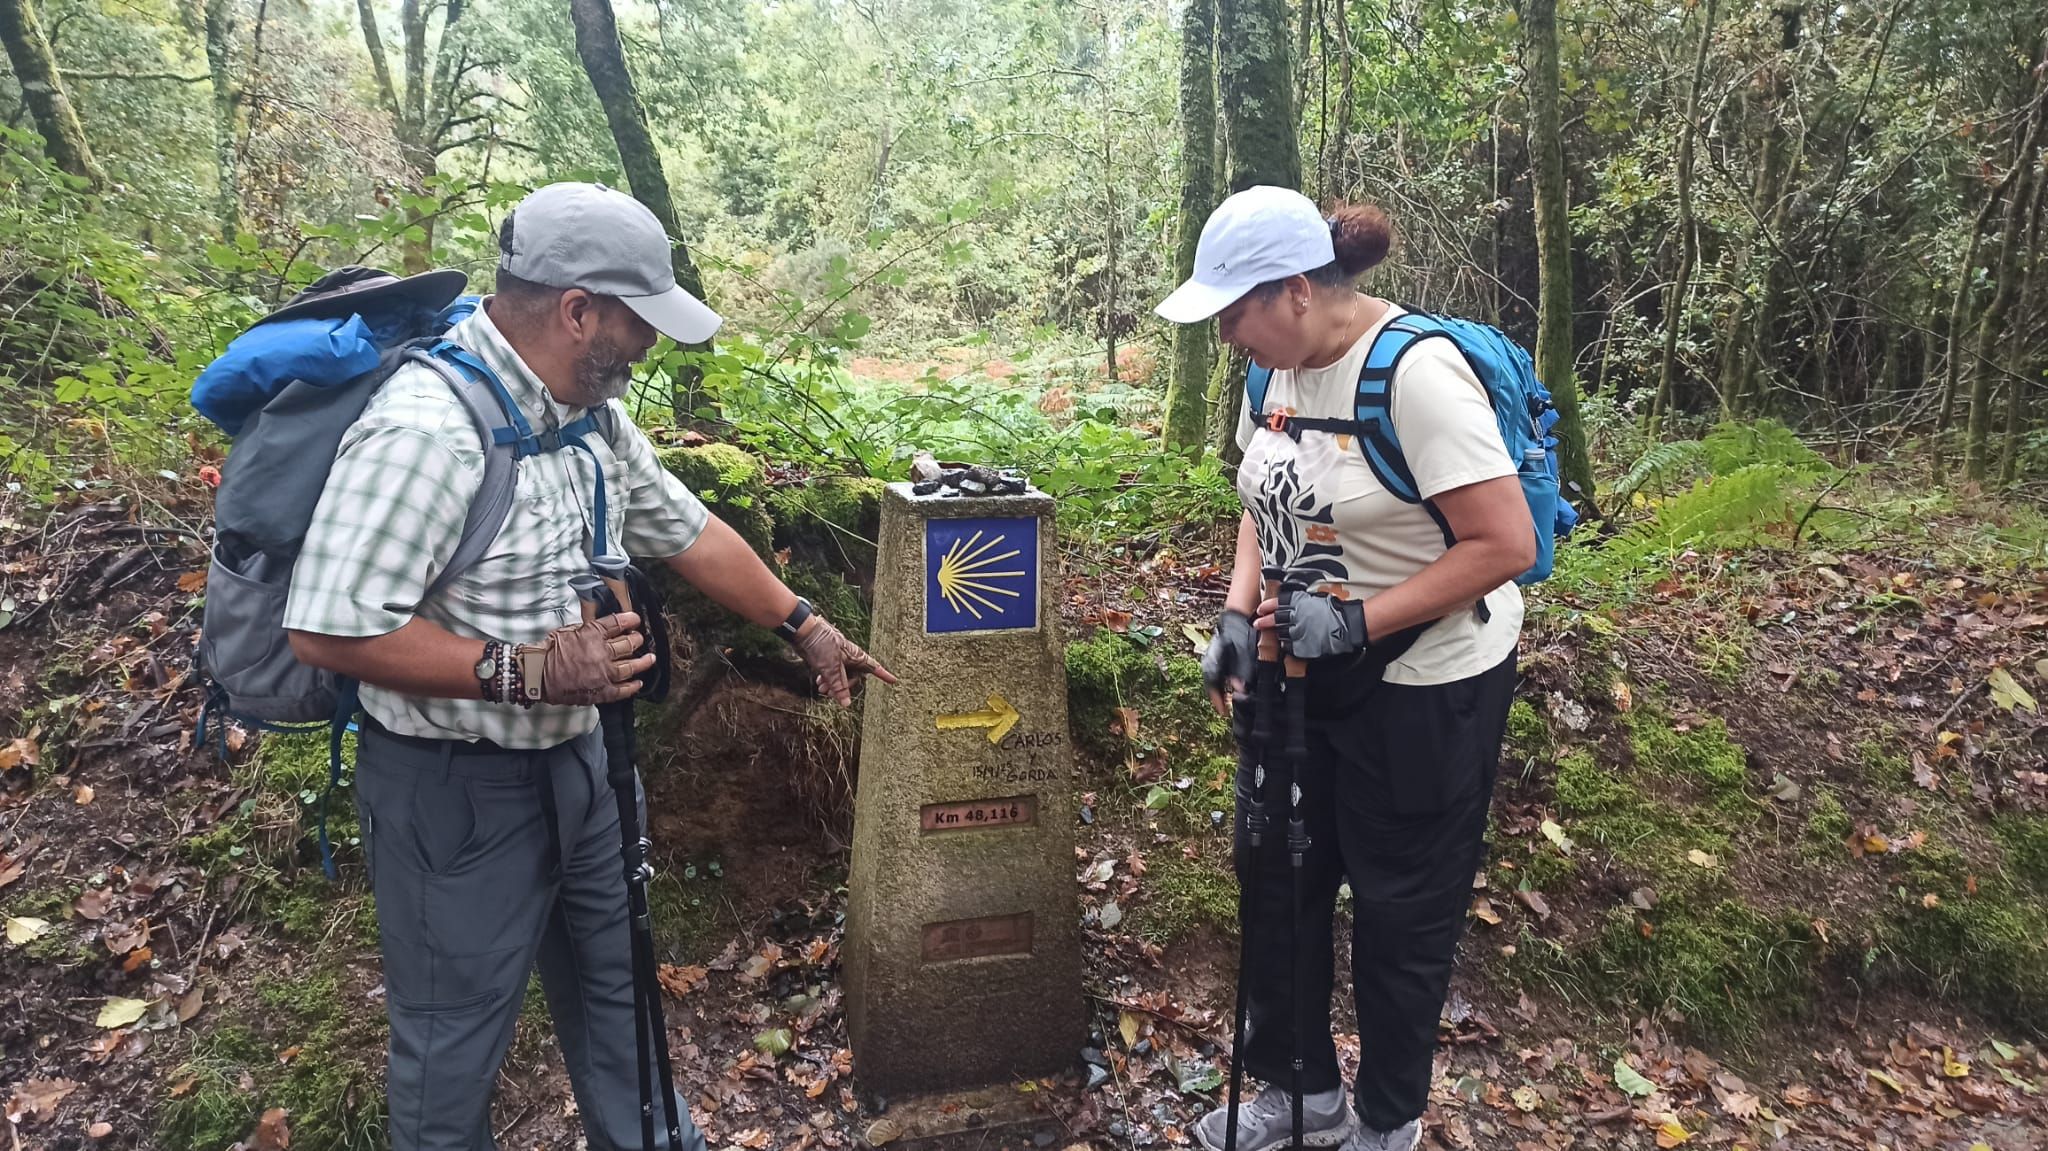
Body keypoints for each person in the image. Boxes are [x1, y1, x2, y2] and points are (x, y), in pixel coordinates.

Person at [282, 182, 896, 1151]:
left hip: (586, 767)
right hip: (453, 795)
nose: (649, 344)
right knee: (452, 1039)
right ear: (578, 309)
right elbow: (325, 630)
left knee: (618, 988)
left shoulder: (587, 415)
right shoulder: (424, 433)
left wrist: (803, 621)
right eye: (638, 320)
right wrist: (522, 671)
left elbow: (688, 531)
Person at [1155, 186, 1531, 1151]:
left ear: (1292, 291)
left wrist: (1359, 622)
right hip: (1299, 669)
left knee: (1401, 904)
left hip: (1427, 683)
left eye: (1233, 314)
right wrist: (1240, 613)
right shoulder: (1268, 376)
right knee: (1278, 875)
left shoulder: (1414, 376)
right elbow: (1262, 492)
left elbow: (1503, 543)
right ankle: (1298, 1087)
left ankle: (1387, 1118)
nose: (1227, 336)